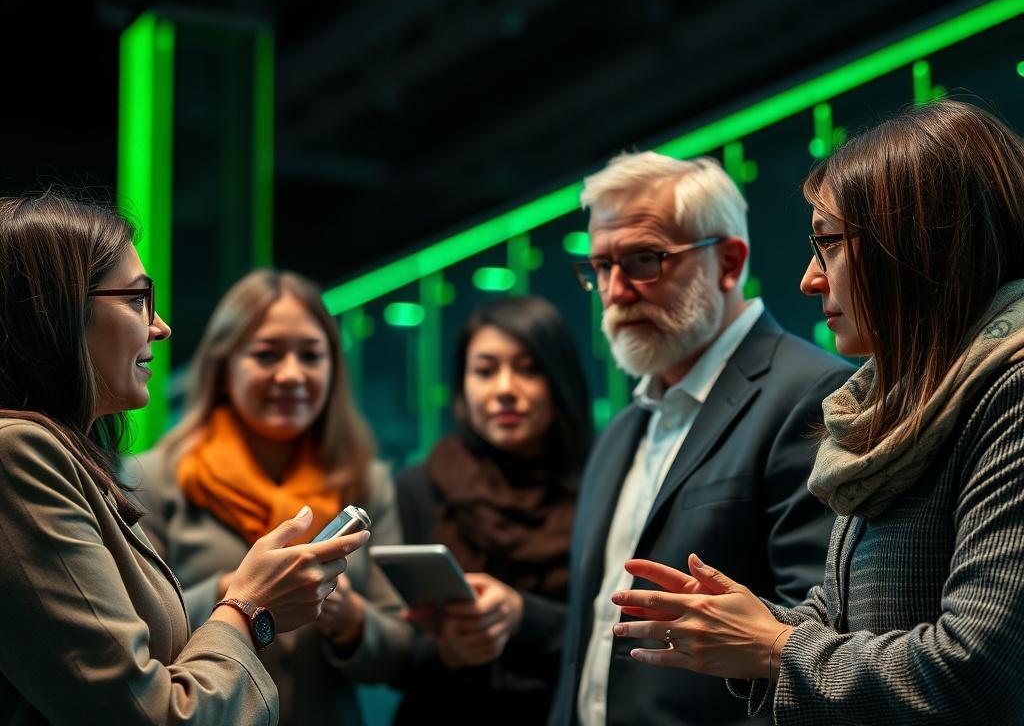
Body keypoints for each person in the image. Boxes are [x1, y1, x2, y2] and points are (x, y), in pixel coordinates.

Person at [609, 100, 1024, 724]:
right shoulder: (901, 400)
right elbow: (847, 611)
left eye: (827, 244)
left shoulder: (1008, 389)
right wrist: (739, 623)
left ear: (914, 242)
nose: (809, 278)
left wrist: (774, 646)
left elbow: (982, 672)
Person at [0, 194, 366, 725]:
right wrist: (248, 607)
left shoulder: (66, 458)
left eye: (312, 355)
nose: (160, 326)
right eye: (136, 300)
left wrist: (355, 621)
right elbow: (149, 712)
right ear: (55, 311)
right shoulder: (21, 455)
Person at [549, 152, 854, 726]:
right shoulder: (619, 431)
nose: (615, 291)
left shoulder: (811, 394)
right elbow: (588, 638)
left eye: (643, 261)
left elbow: (815, 640)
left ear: (729, 262)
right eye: (600, 267)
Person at [126, 269, 411, 726]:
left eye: (312, 355)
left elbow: (400, 649)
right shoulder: (155, 479)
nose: (292, 374)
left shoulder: (365, 482)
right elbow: (135, 632)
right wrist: (232, 595)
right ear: (223, 367)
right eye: (266, 354)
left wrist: (351, 619)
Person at [393, 295, 593, 726]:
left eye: (528, 369)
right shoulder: (420, 486)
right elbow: (391, 644)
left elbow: (619, 627)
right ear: (462, 387)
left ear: (559, 380)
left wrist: (524, 614)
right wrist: (444, 649)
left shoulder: (601, 483)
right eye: (485, 371)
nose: (505, 389)